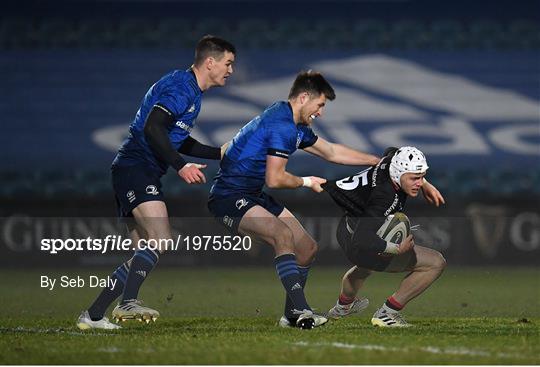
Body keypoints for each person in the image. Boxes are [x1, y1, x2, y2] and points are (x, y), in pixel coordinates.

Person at [76, 35, 236, 330]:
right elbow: (153, 128)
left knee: (146, 252)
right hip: (136, 168)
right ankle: (126, 303)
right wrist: (180, 165)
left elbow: (176, 137)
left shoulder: (191, 91)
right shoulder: (181, 86)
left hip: (135, 170)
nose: (230, 70)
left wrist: (218, 153)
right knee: (161, 238)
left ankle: (95, 314)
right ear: (210, 62)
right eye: (227, 63)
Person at [208, 70, 386, 329]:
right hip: (229, 196)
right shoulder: (282, 125)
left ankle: (291, 315)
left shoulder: (291, 121)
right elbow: (275, 179)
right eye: (320, 104)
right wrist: (306, 181)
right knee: (282, 236)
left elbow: (332, 151)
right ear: (304, 97)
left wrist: (375, 161)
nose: (321, 112)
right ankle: (302, 310)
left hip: (252, 195)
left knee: (306, 248)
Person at [323, 146, 446, 327]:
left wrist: (426, 184)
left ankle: (342, 307)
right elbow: (362, 239)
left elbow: (392, 150)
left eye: (421, 177)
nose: (418, 183)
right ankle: (387, 313)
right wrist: (397, 249)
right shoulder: (385, 197)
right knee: (435, 263)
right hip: (359, 240)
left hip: (346, 228)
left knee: (364, 268)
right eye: (414, 178)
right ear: (398, 173)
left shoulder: (391, 162)